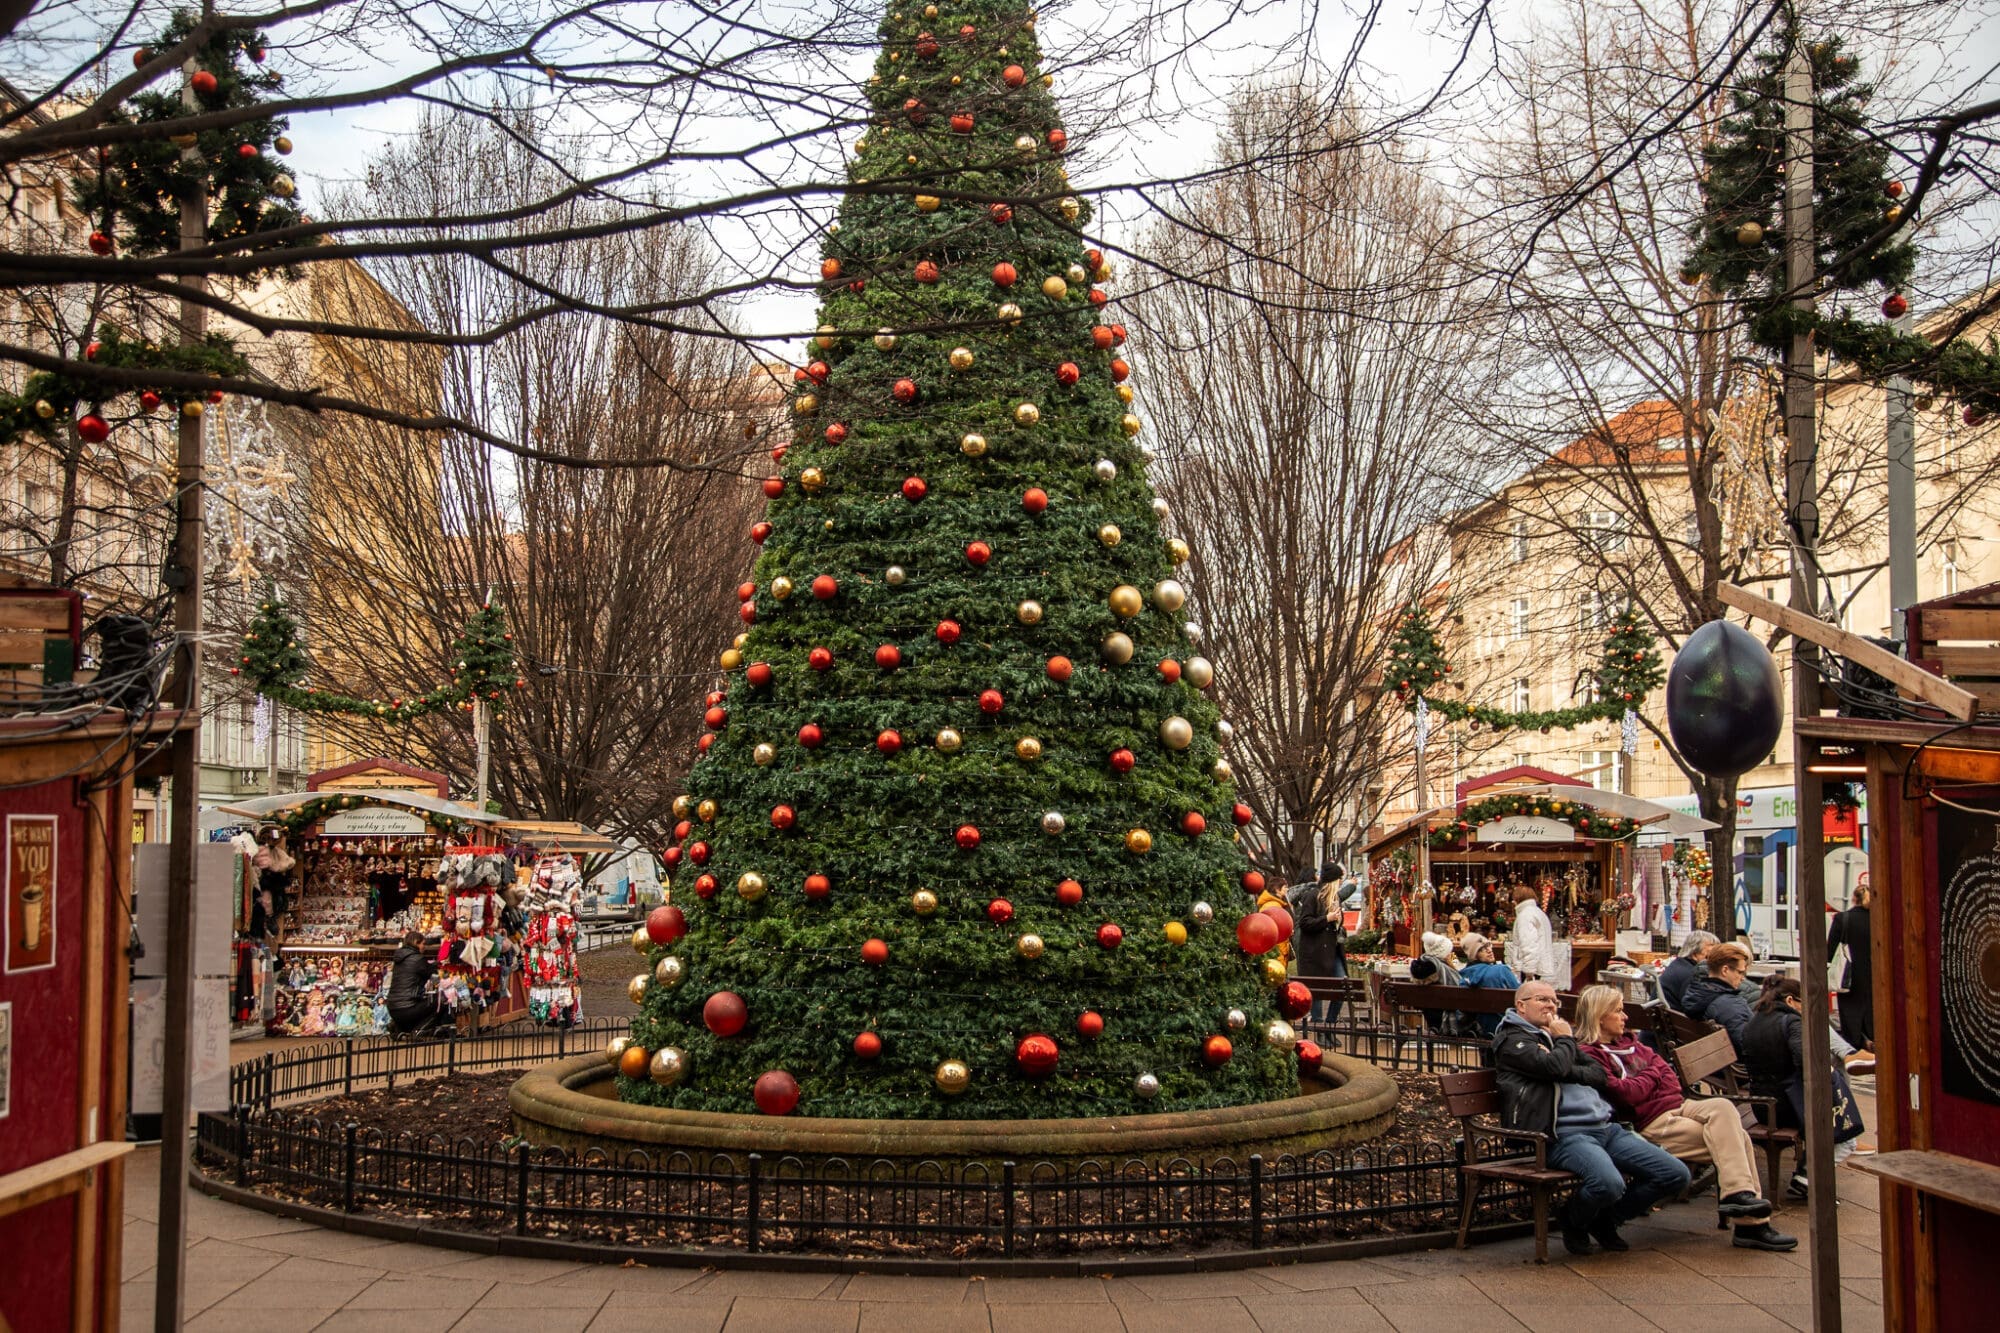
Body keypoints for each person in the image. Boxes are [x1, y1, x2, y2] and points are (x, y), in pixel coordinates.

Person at [1572, 986, 1796, 1251]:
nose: (1625, 1017)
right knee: (1739, 1139)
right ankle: (1750, 1223)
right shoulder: (1591, 1053)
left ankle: (1738, 1197)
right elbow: (1627, 1095)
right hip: (1651, 1121)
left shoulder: (1632, 1043)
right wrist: (1652, 1074)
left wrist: (1647, 1079)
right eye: (1618, 1011)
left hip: (1678, 1105)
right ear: (1600, 1016)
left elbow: (1670, 1080)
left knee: (1723, 1107)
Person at [1493, 980, 1691, 1255]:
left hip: (1605, 1128)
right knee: (1608, 1183)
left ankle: (1605, 1220)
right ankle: (1573, 1220)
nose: (1551, 1006)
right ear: (1521, 1006)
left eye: (1554, 1001)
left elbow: (1597, 1073)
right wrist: (1564, 1043)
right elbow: (1554, 1067)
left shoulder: (1556, 1036)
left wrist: (1563, 1059)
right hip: (1564, 1135)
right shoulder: (1513, 1041)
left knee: (1675, 1174)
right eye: (1542, 999)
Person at [1741, 976, 1867, 1199]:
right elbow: (1808, 1065)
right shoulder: (1792, 1022)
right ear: (1791, 1000)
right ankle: (1806, 1178)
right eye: (1804, 1002)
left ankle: (1805, 1175)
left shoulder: (1753, 1022)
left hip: (1763, 1105)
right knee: (1846, 1137)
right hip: (1788, 1106)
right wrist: (1830, 1074)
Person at [1292, 864, 1349, 1030]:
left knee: (1342, 985)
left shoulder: (1335, 899)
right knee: (1316, 992)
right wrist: (1327, 919)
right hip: (1315, 952)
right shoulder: (1312, 896)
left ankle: (1329, 1025)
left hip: (1332, 950)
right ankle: (1320, 1030)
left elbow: (1336, 924)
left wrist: (1338, 923)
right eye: (1339, 879)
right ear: (1332, 881)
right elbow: (1304, 922)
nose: (1341, 882)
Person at [1680, 940, 1755, 1049]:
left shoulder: (1695, 994)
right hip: (1732, 1058)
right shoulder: (1730, 1004)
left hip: (1709, 1054)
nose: (1742, 978)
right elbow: (1746, 1045)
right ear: (1725, 970)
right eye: (1740, 972)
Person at [1826, 883, 1873, 1051]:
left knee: (1850, 1014)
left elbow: (1830, 951)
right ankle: (1871, 1043)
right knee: (1872, 1012)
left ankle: (1856, 1047)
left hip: (1848, 977)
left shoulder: (1843, 919)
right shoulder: (1879, 919)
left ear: (1854, 899)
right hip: (1874, 976)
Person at [1456, 932, 1522, 1037]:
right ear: (1474, 955)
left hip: (1479, 1032)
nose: (1489, 950)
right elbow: (1521, 996)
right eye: (1481, 949)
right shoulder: (1501, 970)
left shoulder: (1463, 977)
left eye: (1488, 945)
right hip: (1506, 1028)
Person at [386, 929, 442, 1035]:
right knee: (441, 1000)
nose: (424, 947)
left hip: (392, 1008)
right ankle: (420, 1030)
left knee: (422, 1004)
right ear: (416, 943)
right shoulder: (418, 959)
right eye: (423, 944)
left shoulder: (399, 959)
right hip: (408, 1007)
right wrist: (439, 965)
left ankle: (399, 1026)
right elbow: (431, 973)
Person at [1659, 930, 1718, 1013]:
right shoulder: (1690, 974)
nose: (1713, 961)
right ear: (1694, 954)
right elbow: (1694, 1008)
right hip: (1673, 1018)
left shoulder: (1678, 964)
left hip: (1665, 1016)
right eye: (1708, 957)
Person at [1509, 883, 1556, 981]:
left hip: (1531, 968)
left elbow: (1529, 944)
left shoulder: (1525, 915)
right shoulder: (1538, 912)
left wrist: (1529, 971)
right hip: (1538, 965)